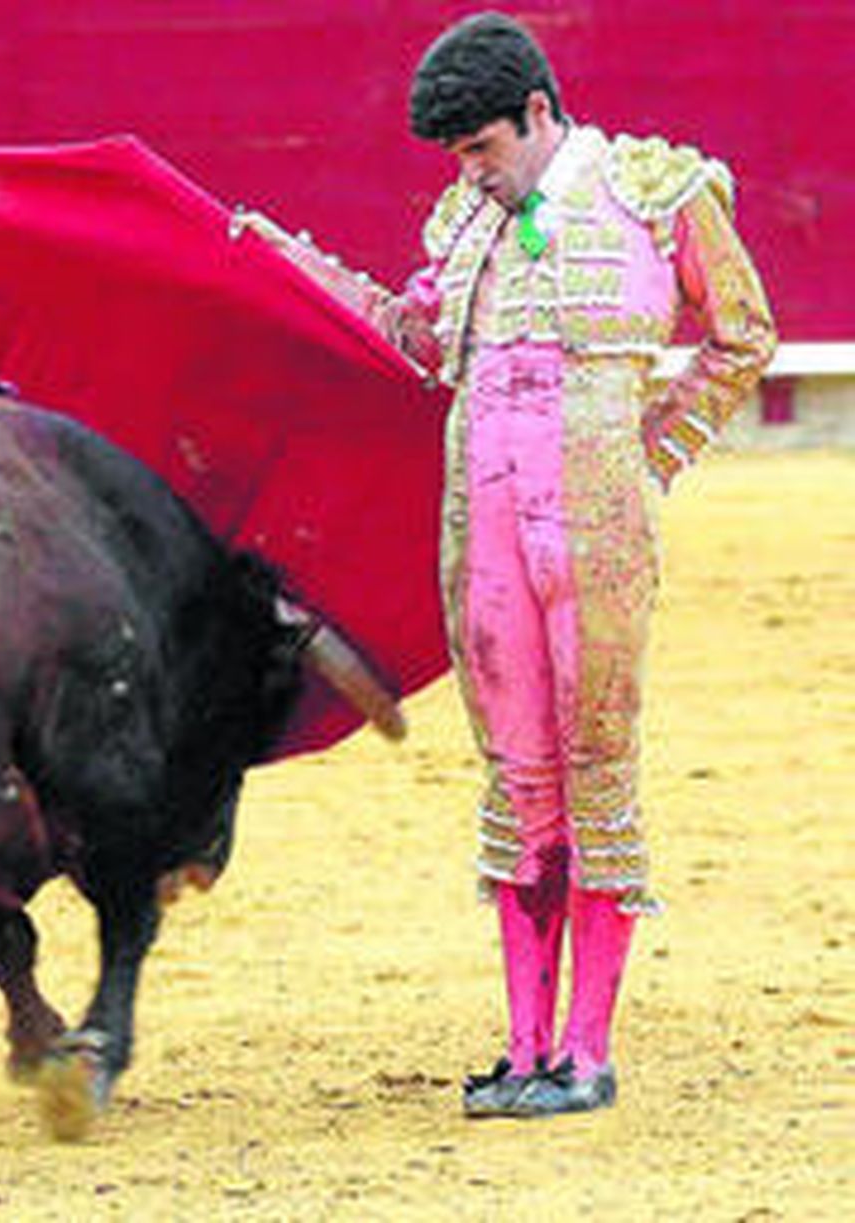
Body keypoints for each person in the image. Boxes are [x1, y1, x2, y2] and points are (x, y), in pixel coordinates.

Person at [245, 11, 776, 1116]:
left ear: (538, 112)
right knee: (518, 775)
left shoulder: (657, 191)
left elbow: (741, 335)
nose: (470, 175)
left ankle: (587, 1050)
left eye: (482, 148)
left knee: (595, 765)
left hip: (594, 530)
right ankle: (525, 1045)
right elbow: (414, 337)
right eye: (457, 158)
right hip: (481, 530)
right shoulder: (466, 222)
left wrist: (651, 458)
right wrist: (282, 262)